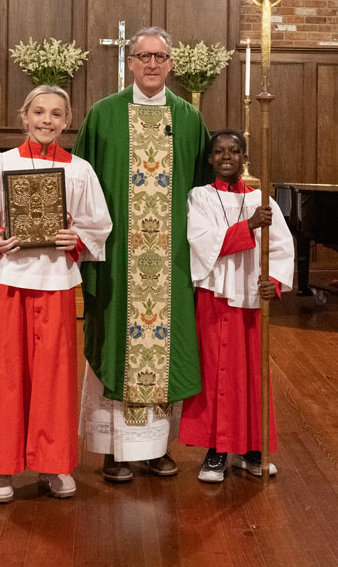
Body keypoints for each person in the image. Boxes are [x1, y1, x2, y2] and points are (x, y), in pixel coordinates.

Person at [74, 26, 213, 482]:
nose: (152, 64)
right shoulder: (103, 114)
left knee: (164, 348)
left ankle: (154, 449)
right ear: (130, 62)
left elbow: (201, 191)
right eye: (143, 56)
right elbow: (82, 183)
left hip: (168, 259)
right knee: (117, 342)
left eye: (160, 57)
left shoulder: (189, 119)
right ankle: (113, 451)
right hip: (117, 256)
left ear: (171, 63)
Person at [0, 85, 112, 503]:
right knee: (4, 375)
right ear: (24, 116)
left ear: (67, 122)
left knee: (53, 377)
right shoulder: (1, 164)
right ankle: (1, 468)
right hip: (8, 279)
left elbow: (98, 225)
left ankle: (53, 463)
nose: (47, 121)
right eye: (39, 112)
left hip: (56, 283)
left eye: (56, 114)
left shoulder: (79, 170)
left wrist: (74, 238)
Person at [179, 129, 295, 483]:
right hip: (215, 298)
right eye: (218, 152)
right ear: (210, 159)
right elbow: (201, 242)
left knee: (251, 373)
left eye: (233, 151)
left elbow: (281, 247)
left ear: (244, 157)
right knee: (215, 375)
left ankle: (251, 449)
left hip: (251, 301)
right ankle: (215, 451)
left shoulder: (264, 201)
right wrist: (248, 226)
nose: (226, 156)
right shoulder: (200, 197)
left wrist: (272, 282)